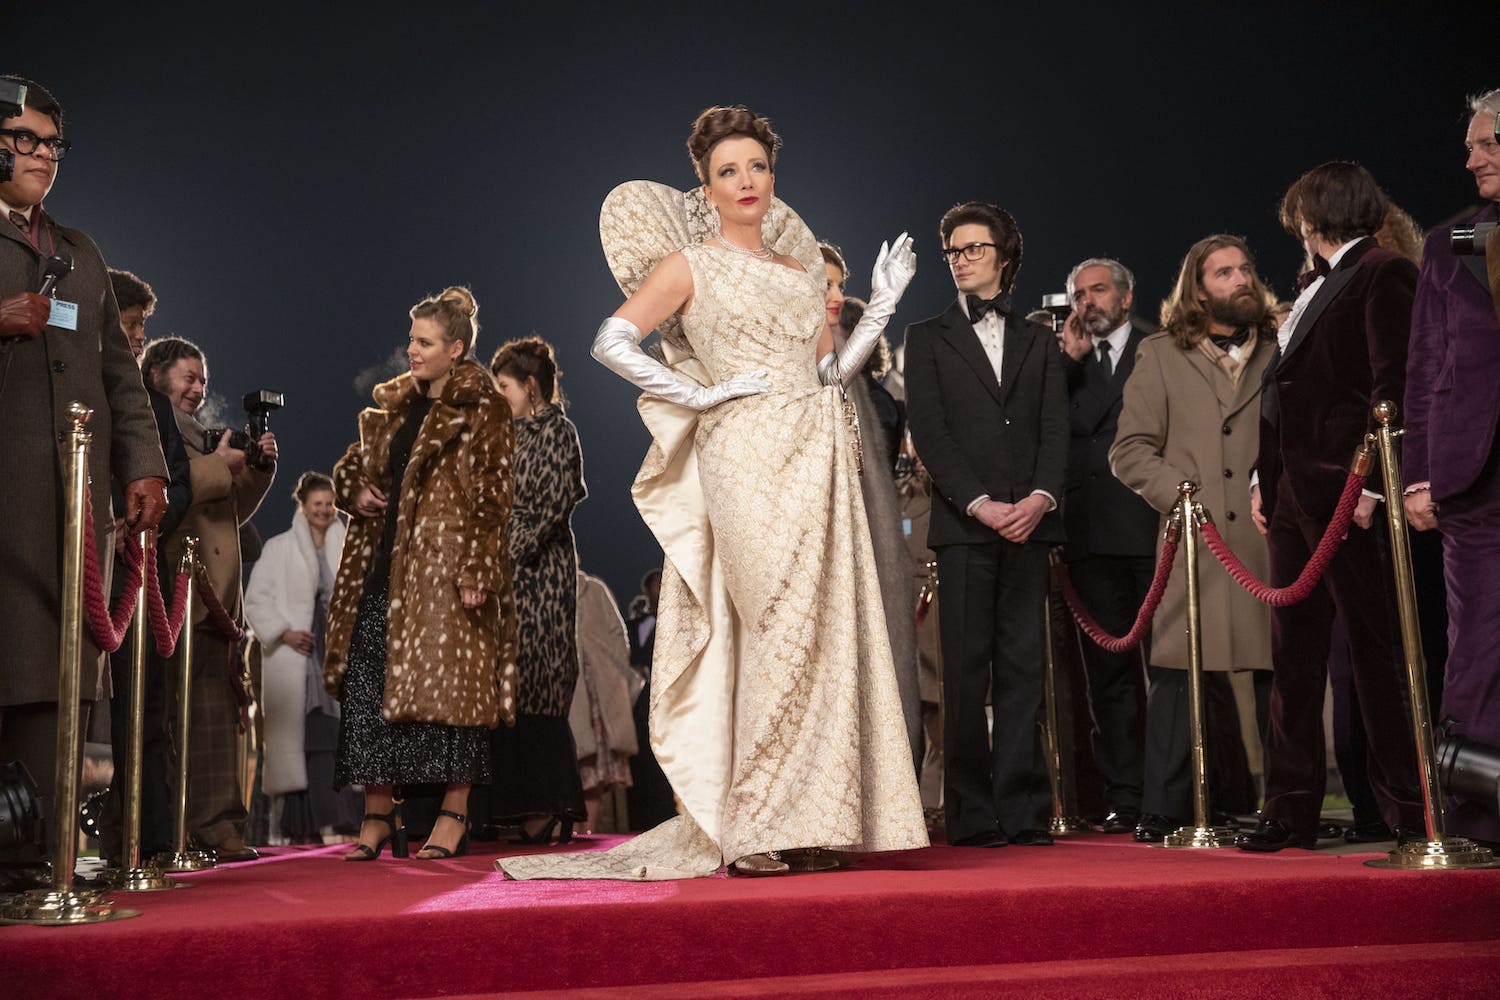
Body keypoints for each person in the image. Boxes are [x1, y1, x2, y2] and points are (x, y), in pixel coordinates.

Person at [499, 104, 926, 880]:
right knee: (768, 626)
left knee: (822, 631)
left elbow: (829, 373)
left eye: (757, 166)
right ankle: (754, 824)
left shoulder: (800, 271)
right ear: (707, 186)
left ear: (773, 176)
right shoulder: (689, 264)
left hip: (816, 451)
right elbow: (610, 340)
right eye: (728, 170)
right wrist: (697, 393)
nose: (746, 180)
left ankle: (811, 817)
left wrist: (886, 300)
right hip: (741, 452)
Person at [0, 77, 168, 886]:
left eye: (52, 144)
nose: (43, 155)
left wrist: (145, 465)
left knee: (55, 678)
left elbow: (121, 377)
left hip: (71, 510)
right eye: (25, 140)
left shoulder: (81, 252)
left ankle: (42, 860)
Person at [1239, 163, 1424, 852]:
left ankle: (1409, 810)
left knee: (1377, 656)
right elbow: (1281, 392)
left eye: (1298, 216)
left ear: (1313, 216)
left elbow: (1393, 385)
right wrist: (1262, 479)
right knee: (1292, 660)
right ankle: (1289, 809)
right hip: (1292, 495)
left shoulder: (1383, 272)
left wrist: (1372, 485)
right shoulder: (1314, 285)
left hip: (1348, 491)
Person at [325, 286, 518, 862]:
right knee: (368, 688)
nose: (412, 350)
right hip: (382, 567)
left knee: (458, 697)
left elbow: (494, 494)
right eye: (411, 339)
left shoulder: (482, 408)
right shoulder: (395, 408)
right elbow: (352, 467)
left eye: (425, 342)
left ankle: (453, 814)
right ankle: (378, 814)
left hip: (446, 572)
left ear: (455, 349)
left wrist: (477, 567)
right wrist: (353, 490)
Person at [903, 200, 1067, 848]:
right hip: (965, 527)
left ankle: (1026, 811)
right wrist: (978, 502)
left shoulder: (1039, 340)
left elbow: (1055, 427)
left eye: (974, 248)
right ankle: (970, 815)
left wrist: (1040, 498)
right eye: (953, 250)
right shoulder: (925, 337)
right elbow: (930, 432)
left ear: (1005, 256)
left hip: (1030, 525)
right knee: (965, 676)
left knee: (1026, 672)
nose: (961, 260)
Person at [1109, 234, 1276, 841]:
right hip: (1191, 543)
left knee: (1276, 673)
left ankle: (1284, 803)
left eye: (1245, 268)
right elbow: (1130, 450)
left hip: (1266, 538)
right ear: (1197, 290)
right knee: (1179, 670)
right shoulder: (1160, 354)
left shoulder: (1281, 348)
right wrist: (1181, 496)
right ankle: (1165, 804)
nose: (1241, 279)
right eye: (1224, 272)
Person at [1404, 89, 1500, 847]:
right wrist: (1417, 473)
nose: (1472, 158)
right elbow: (1424, 362)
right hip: (1473, 474)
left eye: (1488, 142)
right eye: (1471, 145)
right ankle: (1475, 820)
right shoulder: (1449, 241)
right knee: (1475, 648)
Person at [144, 336, 276, 862]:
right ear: (157, 376)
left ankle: (220, 829)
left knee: (218, 725)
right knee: (170, 724)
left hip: (215, 602)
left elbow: (231, 514)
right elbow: (168, 496)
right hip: (174, 594)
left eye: (202, 379)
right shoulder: (151, 428)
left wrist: (257, 469)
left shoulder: (205, 437)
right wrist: (219, 464)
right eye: (188, 377)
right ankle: (168, 831)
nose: (198, 388)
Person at [1056, 257, 1157, 834]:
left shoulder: (1159, 347)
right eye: (1079, 294)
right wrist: (1066, 363)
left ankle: (1178, 793)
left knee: (1168, 670)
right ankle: (1125, 795)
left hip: (1152, 528)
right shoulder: (1065, 360)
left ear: (1125, 295)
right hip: (1089, 535)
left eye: (1097, 290)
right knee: (1108, 677)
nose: (1087, 301)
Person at [98, 268, 192, 865]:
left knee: (146, 711)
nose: (137, 338)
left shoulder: (154, 406)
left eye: (139, 328)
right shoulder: (78, 390)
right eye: (130, 325)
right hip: (87, 564)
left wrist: (142, 521)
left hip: (141, 574)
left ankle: (149, 839)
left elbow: (179, 483)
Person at [821, 244, 922, 779]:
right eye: (826, 285)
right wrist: (883, 303)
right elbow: (827, 380)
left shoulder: (858, 379)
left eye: (841, 284)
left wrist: (885, 301)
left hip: (861, 535)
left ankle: (873, 786)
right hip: (808, 535)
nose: (838, 296)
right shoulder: (787, 352)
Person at [483, 336, 588, 843]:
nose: (498, 395)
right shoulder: (504, 433)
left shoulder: (557, 431)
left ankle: (547, 802)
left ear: (530, 386)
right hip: (505, 573)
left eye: (503, 386)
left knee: (541, 679)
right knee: (511, 683)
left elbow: (554, 503)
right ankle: (515, 802)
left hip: (541, 572)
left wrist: (508, 547)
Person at [243, 471, 360, 845]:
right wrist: (284, 632)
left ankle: (339, 819)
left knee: (336, 732)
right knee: (306, 734)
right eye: (317, 504)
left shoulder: (349, 548)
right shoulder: (279, 549)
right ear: (303, 506)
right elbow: (255, 600)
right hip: (299, 653)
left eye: (329, 504)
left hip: (337, 651)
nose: (324, 510)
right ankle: (304, 823)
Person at [569, 567, 639, 833]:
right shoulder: (549, 587)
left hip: (599, 688)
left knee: (595, 766)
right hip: (569, 687)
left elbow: (619, 634)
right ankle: (568, 832)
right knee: (573, 760)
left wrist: (613, 670)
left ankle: (587, 831)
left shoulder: (594, 589)